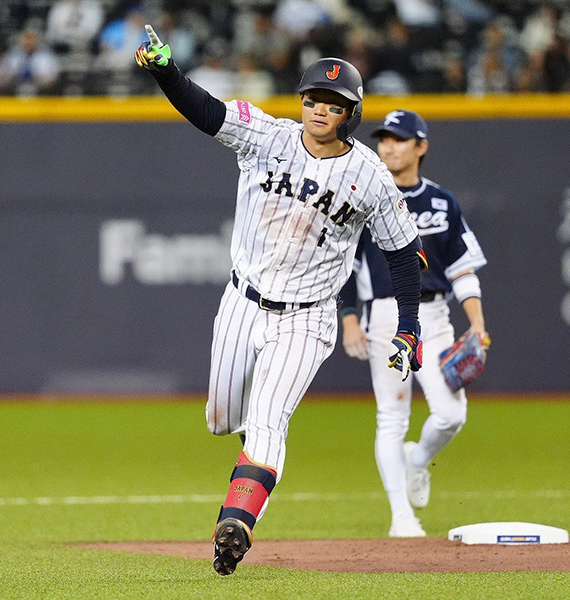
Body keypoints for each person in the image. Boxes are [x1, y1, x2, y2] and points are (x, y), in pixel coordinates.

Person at [134, 26, 426, 575]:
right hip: (243, 302)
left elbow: (405, 252)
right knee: (222, 419)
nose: (320, 108)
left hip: (308, 318)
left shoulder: (370, 175)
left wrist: (409, 324)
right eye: (314, 97)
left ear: (351, 113)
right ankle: (254, 452)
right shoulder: (267, 135)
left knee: (269, 422)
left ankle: (236, 524)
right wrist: (164, 71)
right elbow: (207, 112)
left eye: (334, 102)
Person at [339, 110, 489, 537]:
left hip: (436, 315)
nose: (388, 146)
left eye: (399, 139)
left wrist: (476, 324)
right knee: (392, 417)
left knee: (450, 415)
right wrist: (350, 318)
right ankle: (401, 517)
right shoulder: (364, 198)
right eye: (384, 138)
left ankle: (418, 460)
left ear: (421, 146)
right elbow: (344, 266)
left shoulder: (442, 202)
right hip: (386, 316)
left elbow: (463, 271)